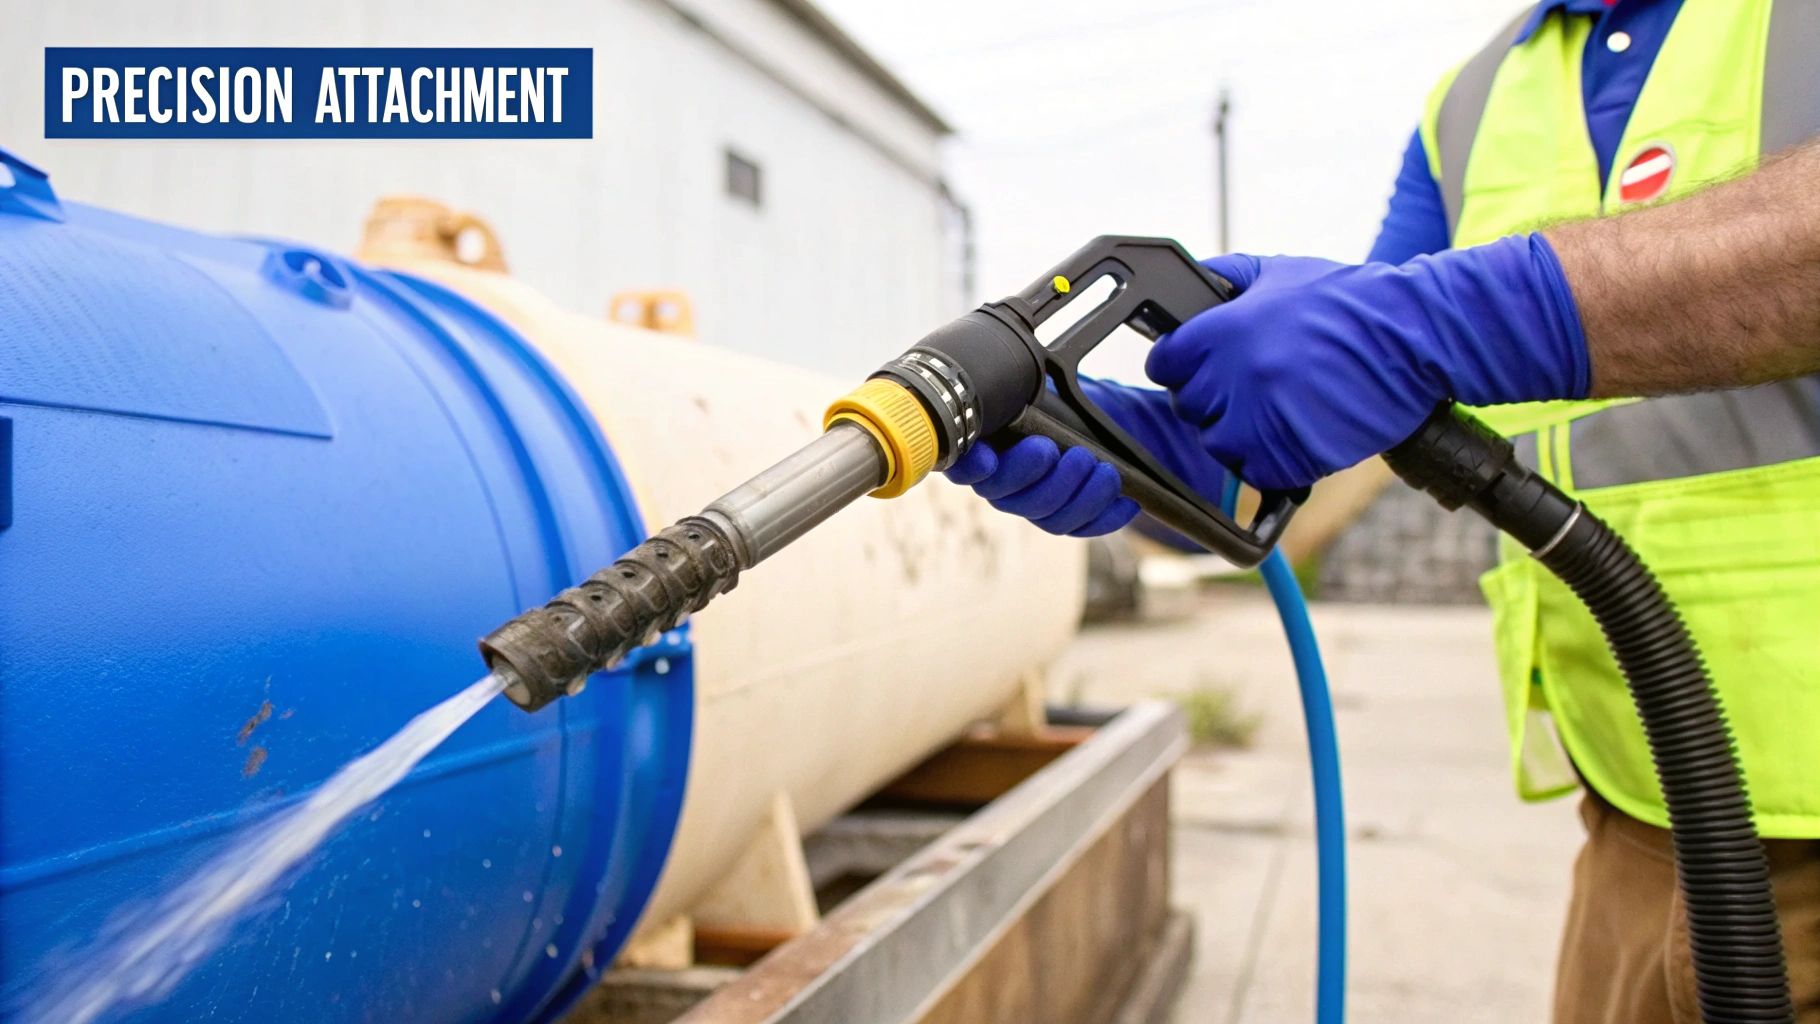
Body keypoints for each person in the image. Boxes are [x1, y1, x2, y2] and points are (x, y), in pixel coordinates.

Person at [947, 3, 1820, 1021]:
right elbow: (1331, 457)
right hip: (1646, 821)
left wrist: (1448, 321)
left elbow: (1404, 338)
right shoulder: (1475, 99)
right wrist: (1158, 465)